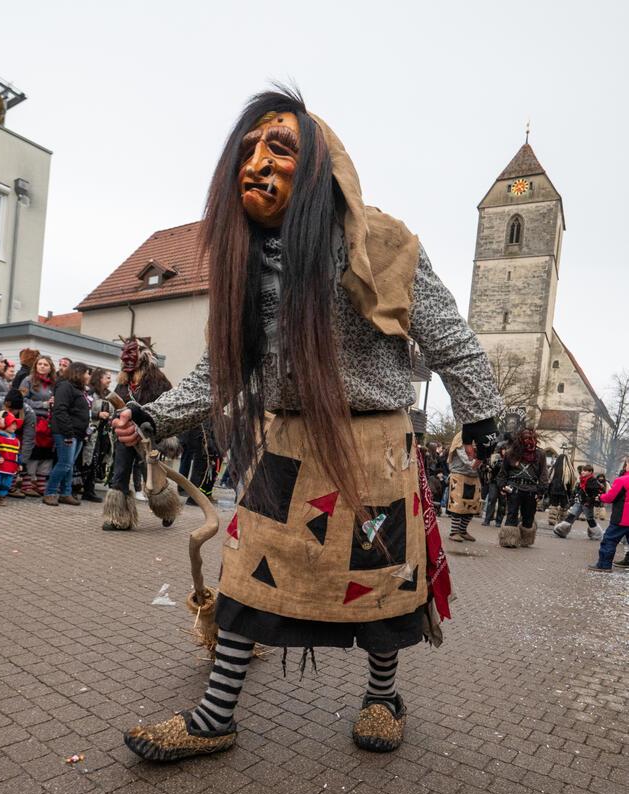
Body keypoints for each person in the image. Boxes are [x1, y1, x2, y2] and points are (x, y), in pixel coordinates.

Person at [113, 88, 502, 760]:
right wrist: (152, 414)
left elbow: (448, 337)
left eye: (279, 148)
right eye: (246, 151)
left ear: (320, 167)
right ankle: (214, 718)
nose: (255, 164)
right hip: (284, 445)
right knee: (245, 577)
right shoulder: (246, 263)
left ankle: (382, 698)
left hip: (373, 451)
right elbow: (222, 371)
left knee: (377, 583)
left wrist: (482, 414)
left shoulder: (382, 242)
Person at [102, 338, 172, 530]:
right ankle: (118, 518)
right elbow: (114, 408)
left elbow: (166, 410)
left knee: (152, 477)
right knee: (120, 474)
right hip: (125, 438)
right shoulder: (123, 384)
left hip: (148, 438)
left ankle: (167, 510)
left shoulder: (159, 381)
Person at [42, 362, 90, 506]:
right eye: (87, 373)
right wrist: (69, 432)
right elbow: (60, 410)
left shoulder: (78, 389)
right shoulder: (65, 386)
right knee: (64, 463)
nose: (88, 376)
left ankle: (65, 493)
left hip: (78, 434)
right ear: (79, 373)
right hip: (67, 433)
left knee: (69, 465)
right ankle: (50, 492)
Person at [497, 429, 548, 548]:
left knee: (528, 516)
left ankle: (526, 539)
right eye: (525, 439)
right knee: (512, 513)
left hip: (531, 489)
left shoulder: (540, 454)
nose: (529, 441)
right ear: (520, 439)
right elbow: (503, 472)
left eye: (531, 438)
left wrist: (541, 491)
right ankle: (509, 540)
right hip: (513, 487)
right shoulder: (511, 453)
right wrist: (502, 485)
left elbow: (543, 474)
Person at [20, 355, 57, 495]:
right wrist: (42, 404)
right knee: (33, 452)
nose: (42, 366)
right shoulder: (28, 380)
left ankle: (41, 483)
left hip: (49, 422)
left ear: (50, 368)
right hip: (33, 420)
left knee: (46, 453)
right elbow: (21, 400)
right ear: (35, 366)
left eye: (45, 364)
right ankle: (27, 484)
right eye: (40, 364)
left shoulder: (54, 383)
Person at [0, 389, 36, 499]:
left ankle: (6, 487)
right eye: (6, 408)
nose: (8, 411)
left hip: (16, 437)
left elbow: (28, 440)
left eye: (12, 410)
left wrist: (20, 463)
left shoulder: (29, 414)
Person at [81, 368, 114, 502]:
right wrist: (97, 414)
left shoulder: (109, 394)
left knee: (97, 461)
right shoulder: (90, 392)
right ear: (100, 378)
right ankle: (84, 489)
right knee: (88, 460)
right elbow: (85, 409)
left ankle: (90, 489)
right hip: (90, 432)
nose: (110, 380)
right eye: (107, 377)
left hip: (103, 433)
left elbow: (114, 410)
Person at [588, 470, 629, 571]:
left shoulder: (622, 480)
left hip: (622, 518)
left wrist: (601, 497)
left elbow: (611, 497)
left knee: (609, 540)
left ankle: (604, 565)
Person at [446, 431, 482, 542]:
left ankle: (462, 531)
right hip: (459, 475)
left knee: (473, 505)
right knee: (458, 505)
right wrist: (477, 462)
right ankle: (454, 532)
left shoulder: (478, 437)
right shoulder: (461, 437)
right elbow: (465, 457)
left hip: (473, 476)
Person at [553, 464, 605, 540]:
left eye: (585, 470)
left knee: (590, 520)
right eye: (583, 470)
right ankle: (561, 531)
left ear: (590, 472)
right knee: (571, 516)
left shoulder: (593, 481)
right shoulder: (582, 479)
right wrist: (573, 499)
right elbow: (579, 491)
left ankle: (598, 535)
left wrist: (589, 501)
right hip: (580, 501)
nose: (582, 472)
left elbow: (595, 494)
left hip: (587, 504)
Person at [0, 410, 22, 506]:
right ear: (3, 423)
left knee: (6, 483)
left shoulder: (16, 440)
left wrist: (19, 463)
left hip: (10, 466)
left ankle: (1, 497)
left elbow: (17, 453)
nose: (15, 426)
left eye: (15, 424)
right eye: (12, 423)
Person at [546, 452, 578, 526]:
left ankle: (552, 520)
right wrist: (570, 491)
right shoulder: (569, 470)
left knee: (554, 505)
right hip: (564, 491)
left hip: (554, 490)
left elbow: (549, 479)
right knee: (563, 506)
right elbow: (571, 482)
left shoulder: (554, 468)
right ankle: (562, 520)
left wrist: (548, 490)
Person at [481, 442, 507, 527]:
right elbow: (489, 468)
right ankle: (487, 520)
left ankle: (498, 521)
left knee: (502, 502)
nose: (505, 451)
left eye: (506, 449)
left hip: (504, 483)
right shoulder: (495, 457)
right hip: (494, 482)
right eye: (504, 449)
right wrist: (489, 466)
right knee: (491, 500)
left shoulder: (510, 459)